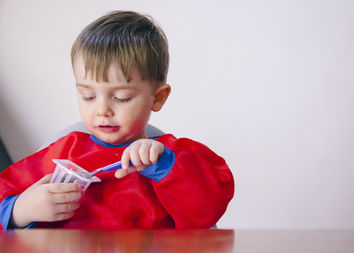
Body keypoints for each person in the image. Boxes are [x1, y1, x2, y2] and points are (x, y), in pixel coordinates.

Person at [0, 10, 234, 230]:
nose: (102, 110)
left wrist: (166, 166)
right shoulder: (64, 153)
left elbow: (207, 211)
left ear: (158, 97)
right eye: (88, 96)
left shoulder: (172, 158)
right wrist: (19, 211)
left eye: (121, 98)